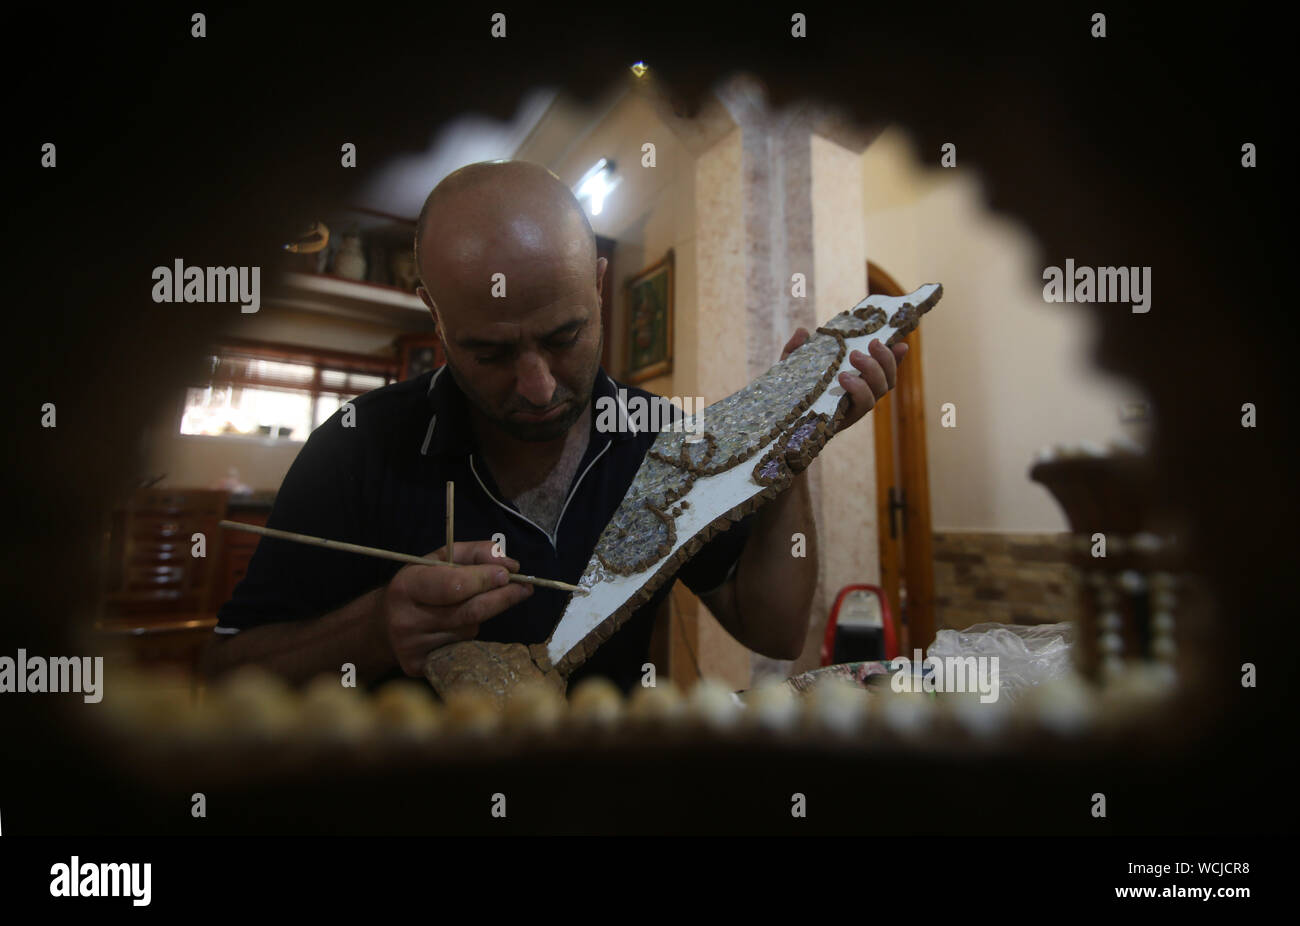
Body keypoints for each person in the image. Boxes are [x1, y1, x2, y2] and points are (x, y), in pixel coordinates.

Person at [199, 160, 906, 692]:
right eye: (490, 352)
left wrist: (793, 444)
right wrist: (377, 627)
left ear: (597, 285)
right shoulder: (357, 445)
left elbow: (774, 629)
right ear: (433, 315)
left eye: (563, 336)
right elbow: (225, 670)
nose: (537, 388)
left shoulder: (659, 441)